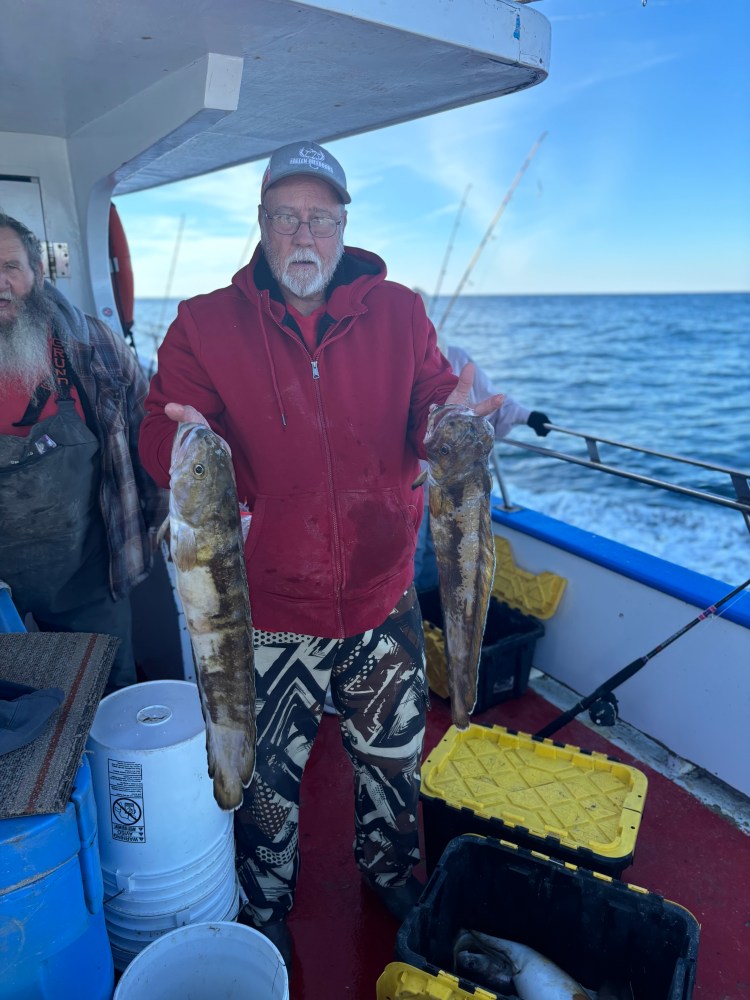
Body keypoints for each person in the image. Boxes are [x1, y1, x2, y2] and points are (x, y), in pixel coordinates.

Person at [137, 140, 503, 971]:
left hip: (382, 600)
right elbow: (157, 427)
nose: (304, 234)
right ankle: (265, 901)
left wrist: (450, 428)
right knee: (267, 780)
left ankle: (387, 871)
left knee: (393, 761)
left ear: (343, 226)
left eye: (321, 218)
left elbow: (428, 405)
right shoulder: (202, 322)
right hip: (266, 612)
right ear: (262, 226)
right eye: (286, 217)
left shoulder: (401, 311)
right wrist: (182, 439)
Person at [0, 214, 167, 694]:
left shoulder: (92, 345)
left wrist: (158, 528)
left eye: (10, 266)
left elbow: (145, 435)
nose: (1, 283)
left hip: (89, 577)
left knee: (108, 695)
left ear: (37, 273)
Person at [413, 334, 552, 592]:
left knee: (445, 551)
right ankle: (407, 614)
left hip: (458, 481)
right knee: (412, 549)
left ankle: (430, 608)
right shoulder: (396, 360)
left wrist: (529, 417)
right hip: (413, 480)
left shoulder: (456, 356)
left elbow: (489, 399)